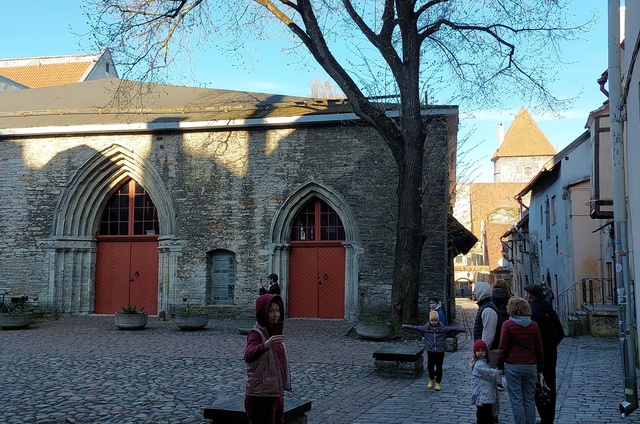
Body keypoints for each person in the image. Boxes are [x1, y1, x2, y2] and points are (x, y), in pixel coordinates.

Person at [244, 294, 291, 423]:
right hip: (260, 396)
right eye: (271, 311)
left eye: (277, 310)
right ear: (263, 312)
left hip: (276, 393)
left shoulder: (274, 330)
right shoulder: (256, 333)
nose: (275, 314)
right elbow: (248, 355)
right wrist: (265, 346)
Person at [497, 296, 544, 424]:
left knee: (516, 399)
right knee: (529, 399)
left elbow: (503, 347)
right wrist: (540, 367)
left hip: (513, 365)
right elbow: (539, 348)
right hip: (530, 365)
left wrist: (499, 364)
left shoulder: (508, 324)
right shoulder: (534, 325)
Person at [525, 284, 565, 424]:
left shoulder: (533, 311)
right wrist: (552, 345)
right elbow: (560, 332)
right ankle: (550, 418)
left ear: (530, 296)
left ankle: (544, 417)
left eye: (527, 295)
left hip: (539, 354)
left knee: (540, 385)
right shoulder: (548, 307)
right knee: (550, 384)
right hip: (551, 353)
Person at [402, 311, 466, 391]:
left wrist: (463, 329)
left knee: (439, 367)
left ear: (438, 321)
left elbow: (453, 328)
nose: (434, 322)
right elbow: (415, 328)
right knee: (430, 367)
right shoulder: (426, 329)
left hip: (440, 351)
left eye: (435, 321)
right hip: (431, 351)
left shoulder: (442, 329)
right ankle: (432, 379)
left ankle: (438, 382)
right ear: (430, 321)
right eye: (432, 320)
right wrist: (406, 326)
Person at [471, 339, 501, 424]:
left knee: (486, 414)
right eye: (478, 351)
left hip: (486, 395)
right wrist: (500, 371)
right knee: (484, 415)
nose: (480, 352)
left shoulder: (483, 363)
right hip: (482, 396)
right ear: (475, 352)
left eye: (482, 350)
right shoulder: (479, 365)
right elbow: (489, 373)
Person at [473, 282, 499, 367]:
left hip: (490, 352)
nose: (473, 293)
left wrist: (481, 352)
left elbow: (488, 335)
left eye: (475, 291)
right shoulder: (484, 306)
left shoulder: (488, 309)